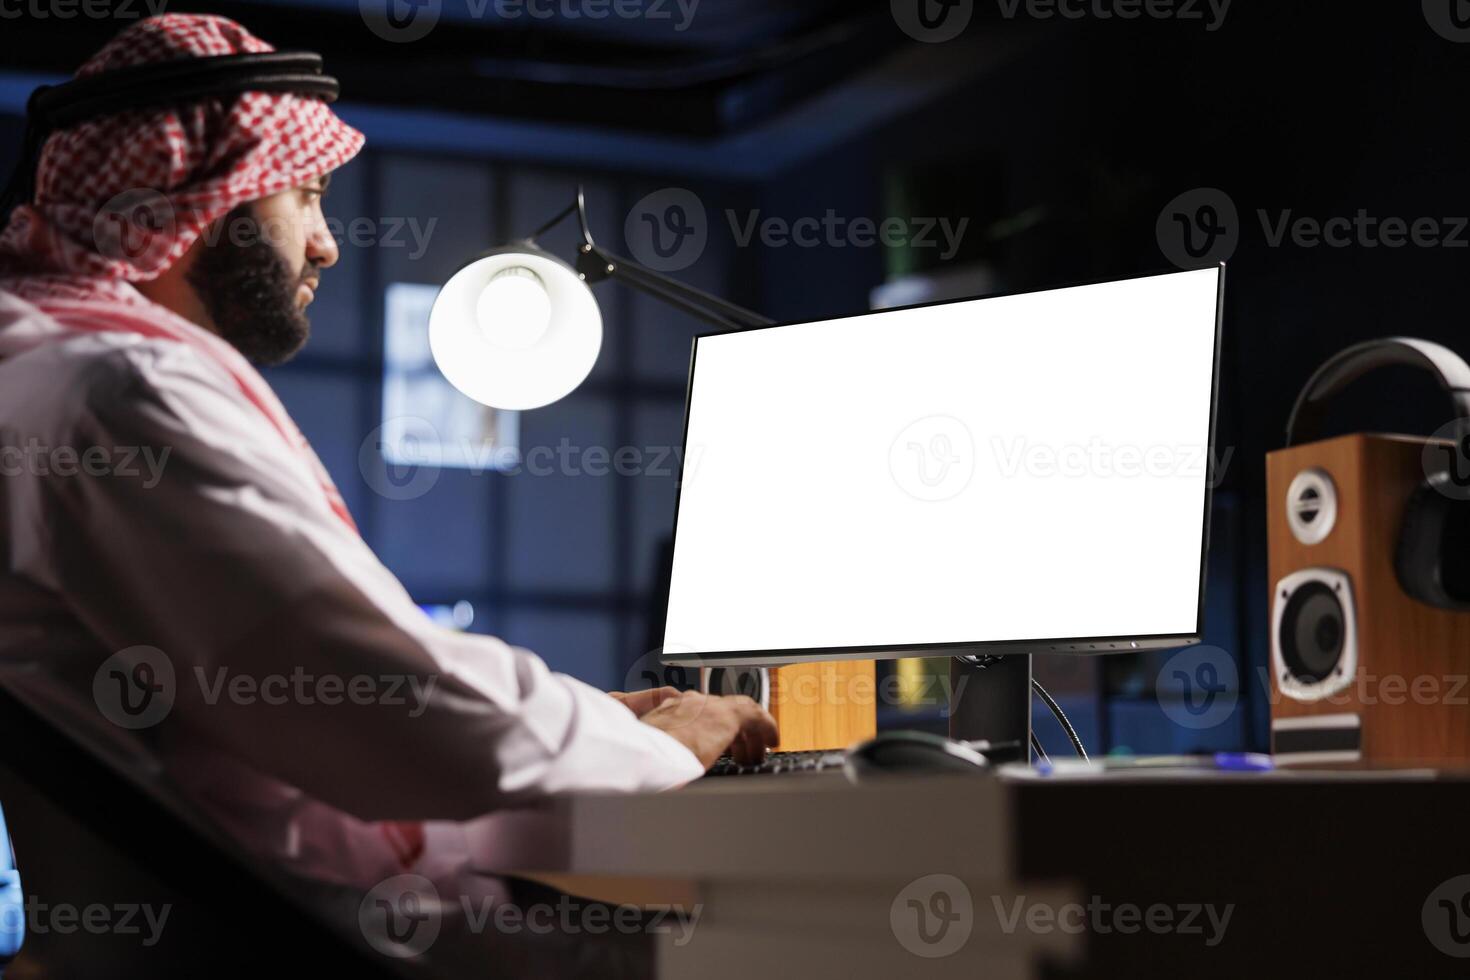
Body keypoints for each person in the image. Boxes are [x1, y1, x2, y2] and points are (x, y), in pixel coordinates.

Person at [0, 13, 778, 904]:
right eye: (303, 197)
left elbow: (354, 668)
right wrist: (669, 740)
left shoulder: (36, 373)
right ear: (200, 200)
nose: (325, 242)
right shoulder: (122, 395)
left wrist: (597, 717)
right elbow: (391, 713)